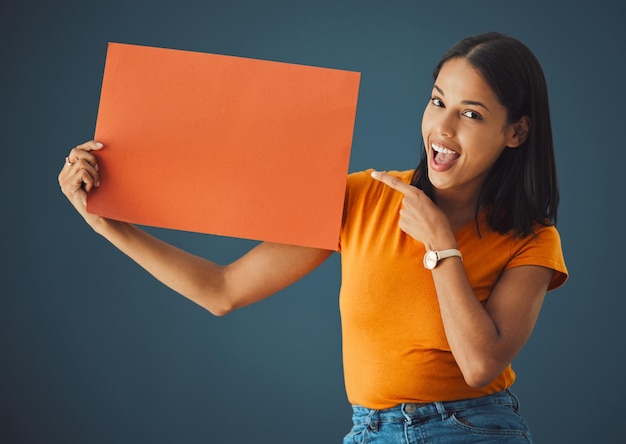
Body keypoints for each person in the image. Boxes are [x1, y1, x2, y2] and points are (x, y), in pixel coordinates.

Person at [58, 32, 567, 443]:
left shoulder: (532, 239)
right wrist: (106, 221)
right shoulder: (363, 197)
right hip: (368, 432)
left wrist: (441, 248)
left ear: (516, 132)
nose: (443, 127)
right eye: (438, 102)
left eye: (471, 114)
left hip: (473, 429)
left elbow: (480, 365)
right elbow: (223, 290)